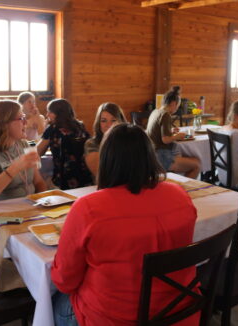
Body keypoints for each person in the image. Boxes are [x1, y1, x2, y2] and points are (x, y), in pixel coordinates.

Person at [51, 123, 199, 326]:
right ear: (150, 155)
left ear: (106, 160)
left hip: (116, 318)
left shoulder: (88, 208)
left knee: (53, 300)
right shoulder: (180, 195)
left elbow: (64, 280)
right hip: (180, 311)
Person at [0, 100, 46, 204]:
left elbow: (38, 182)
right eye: (21, 118)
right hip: (3, 213)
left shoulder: (24, 145)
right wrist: (15, 167)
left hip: (31, 207)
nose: (26, 122)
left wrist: (42, 203)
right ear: (4, 123)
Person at [37, 98, 92, 190]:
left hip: (62, 181)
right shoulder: (80, 127)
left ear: (58, 113)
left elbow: (38, 151)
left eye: (49, 112)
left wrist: (44, 129)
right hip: (85, 178)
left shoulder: (53, 129)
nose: (47, 115)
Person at [146, 86, 200, 178]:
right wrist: (177, 136)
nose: (177, 109)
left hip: (151, 154)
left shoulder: (156, 111)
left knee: (194, 160)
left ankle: (179, 186)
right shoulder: (165, 115)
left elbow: (157, 131)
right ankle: (182, 190)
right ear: (174, 103)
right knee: (196, 165)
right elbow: (165, 140)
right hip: (160, 156)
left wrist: (170, 130)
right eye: (178, 106)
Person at [84, 102, 126, 177]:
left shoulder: (129, 141)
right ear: (98, 123)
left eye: (113, 120)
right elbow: (101, 175)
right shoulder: (92, 144)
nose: (109, 125)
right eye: (103, 121)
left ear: (121, 121)